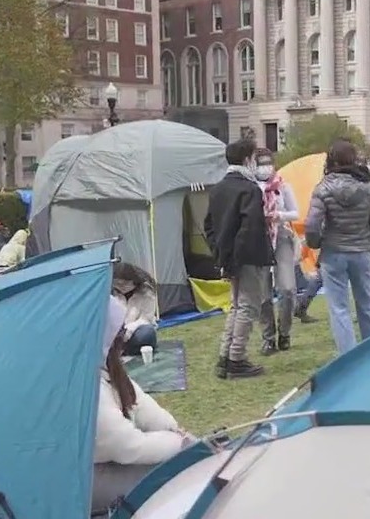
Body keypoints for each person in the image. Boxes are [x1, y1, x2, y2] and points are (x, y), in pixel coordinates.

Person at [93, 296, 195, 511]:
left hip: (110, 461)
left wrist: (173, 429)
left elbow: (139, 402)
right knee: (171, 479)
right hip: (86, 478)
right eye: (120, 333)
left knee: (188, 460)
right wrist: (179, 445)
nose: (125, 338)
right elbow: (126, 446)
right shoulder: (87, 387)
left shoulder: (105, 367)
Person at [305, 139, 370, 355]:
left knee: (339, 309)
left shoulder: (322, 189)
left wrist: (317, 243)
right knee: (366, 303)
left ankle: (348, 356)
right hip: (362, 252)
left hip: (334, 253)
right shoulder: (369, 190)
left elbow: (312, 226)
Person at [205, 138, 272, 379]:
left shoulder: (218, 188)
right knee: (248, 306)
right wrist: (238, 257)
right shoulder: (249, 189)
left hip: (228, 256)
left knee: (235, 306)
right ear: (247, 159)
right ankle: (237, 357)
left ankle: (225, 356)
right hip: (247, 257)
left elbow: (209, 227)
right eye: (255, 158)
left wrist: (221, 254)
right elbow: (250, 227)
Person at [253, 148, 300, 355]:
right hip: (259, 238)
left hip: (281, 235)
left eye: (267, 163)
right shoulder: (251, 188)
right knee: (263, 294)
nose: (265, 167)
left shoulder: (283, 186)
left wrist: (278, 215)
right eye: (260, 163)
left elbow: (295, 213)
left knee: (287, 289)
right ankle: (268, 337)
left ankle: (285, 332)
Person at [111, 262, 159, 357]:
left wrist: (129, 329)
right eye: (117, 283)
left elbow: (145, 319)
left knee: (147, 333)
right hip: (115, 334)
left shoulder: (147, 293)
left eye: (125, 283)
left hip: (135, 331)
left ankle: (128, 351)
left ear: (134, 281)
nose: (122, 286)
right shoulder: (111, 295)